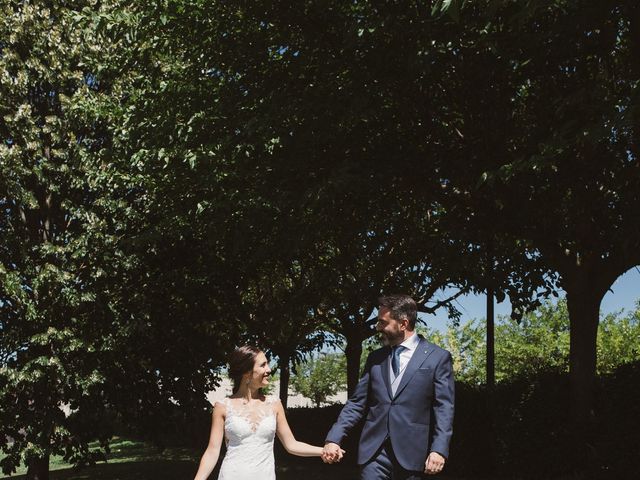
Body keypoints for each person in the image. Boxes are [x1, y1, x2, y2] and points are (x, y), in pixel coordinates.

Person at [322, 294, 455, 479]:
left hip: (414, 456)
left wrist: (439, 449)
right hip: (374, 455)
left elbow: (444, 408)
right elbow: (357, 403)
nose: (378, 328)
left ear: (403, 324)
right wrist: (334, 438)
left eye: (383, 323)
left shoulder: (438, 358)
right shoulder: (375, 358)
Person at [193, 345, 338, 480]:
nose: (269, 369)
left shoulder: (274, 404)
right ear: (247, 372)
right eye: (263, 365)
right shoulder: (222, 407)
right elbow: (212, 452)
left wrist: (324, 451)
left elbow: (291, 444)